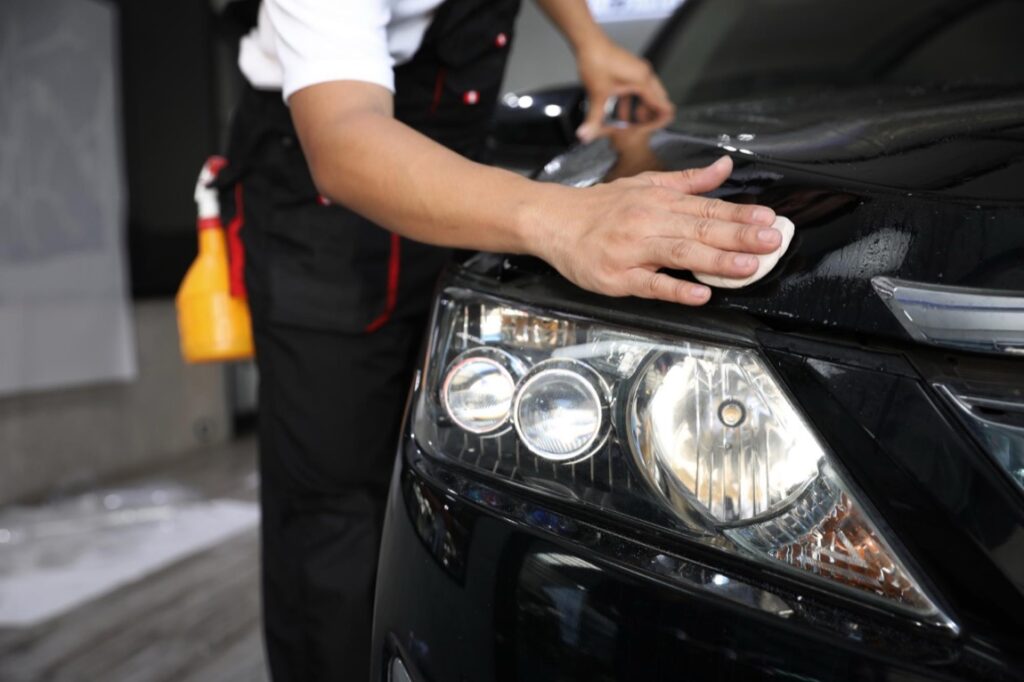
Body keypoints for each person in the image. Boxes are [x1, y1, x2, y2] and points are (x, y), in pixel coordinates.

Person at [220, 1, 783, 679]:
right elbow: (343, 143)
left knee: (432, 471)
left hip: (451, 176)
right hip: (324, 213)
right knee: (333, 516)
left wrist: (589, 42)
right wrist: (562, 221)